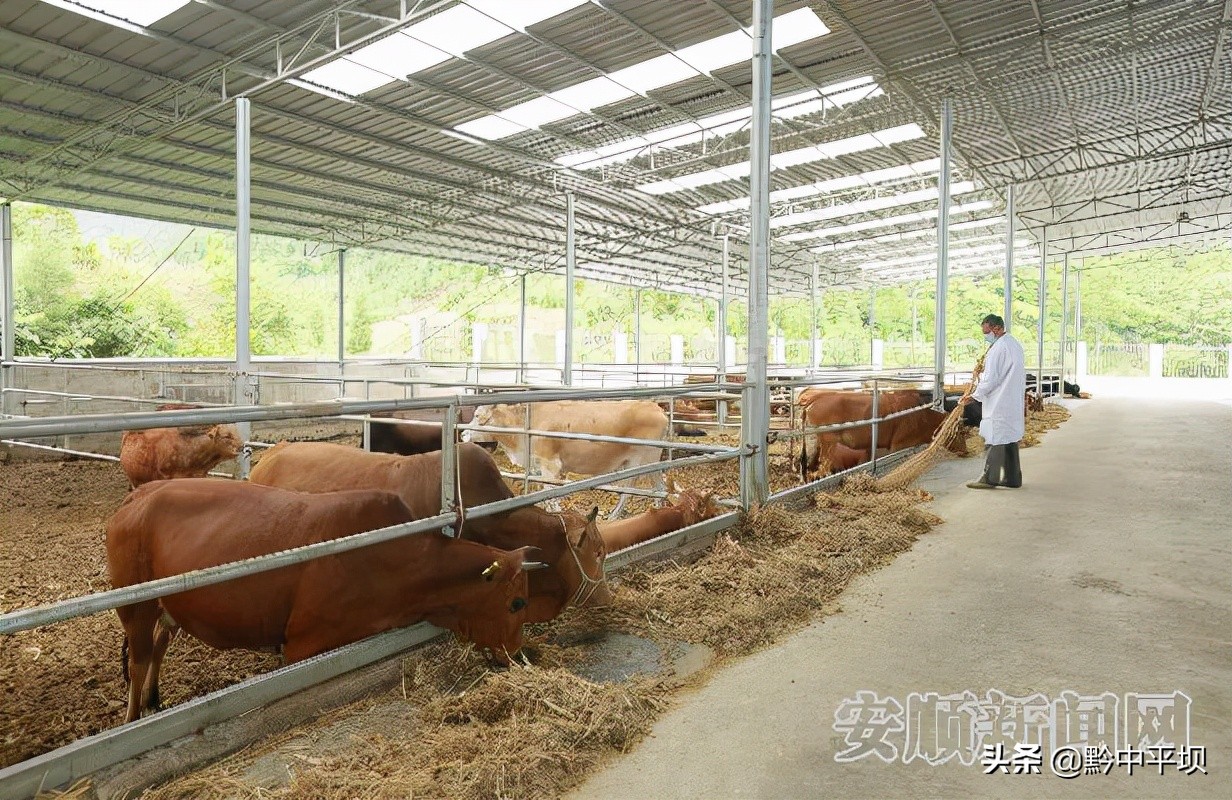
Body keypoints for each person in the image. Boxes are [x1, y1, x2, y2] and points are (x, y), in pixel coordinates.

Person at [960, 314, 1025, 489]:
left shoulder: (998, 349)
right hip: (1011, 400)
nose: (985, 336)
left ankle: (990, 478)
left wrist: (974, 395)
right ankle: (1013, 478)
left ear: (996, 328)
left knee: (995, 437)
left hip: (999, 401)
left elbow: (991, 379)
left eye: (986, 332)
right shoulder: (1013, 344)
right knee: (1009, 437)